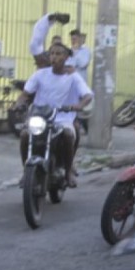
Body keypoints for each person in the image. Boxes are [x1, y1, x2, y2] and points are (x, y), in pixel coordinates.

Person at [21, 42, 93, 188]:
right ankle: (25, 172)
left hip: (62, 118)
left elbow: (87, 95)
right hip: (40, 117)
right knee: (24, 134)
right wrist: (19, 103)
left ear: (66, 57)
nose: (54, 57)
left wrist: (78, 105)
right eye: (52, 53)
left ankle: (68, 172)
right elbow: (25, 93)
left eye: (59, 54)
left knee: (68, 134)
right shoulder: (40, 74)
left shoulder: (73, 76)